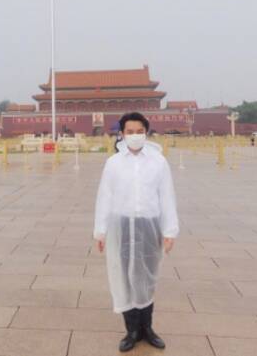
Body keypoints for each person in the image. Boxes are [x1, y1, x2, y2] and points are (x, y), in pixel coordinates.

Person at [94, 112, 179, 352]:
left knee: (147, 278)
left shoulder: (158, 162)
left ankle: (147, 329)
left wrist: (169, 230)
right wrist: (100, 231)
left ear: (146, 132)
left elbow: (167, 197)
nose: (134, 136)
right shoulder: (113, 163)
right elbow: (105, 198)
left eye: (138, 131)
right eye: (129, 132)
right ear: (121, 134)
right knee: (126, 279)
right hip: (121, 226)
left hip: (149, 225)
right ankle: (131, 330)